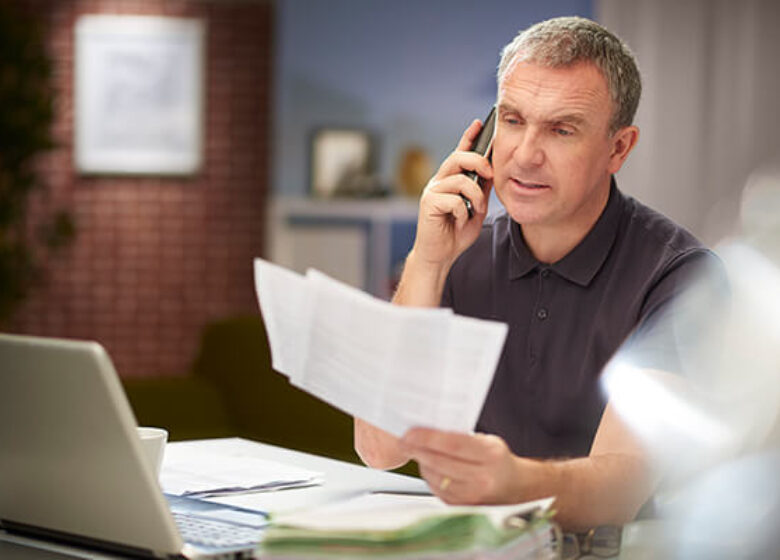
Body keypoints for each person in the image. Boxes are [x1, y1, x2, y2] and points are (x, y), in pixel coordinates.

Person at [354, 16, 721, 531]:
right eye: (512, 119)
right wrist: (429, 260)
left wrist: (511, 482)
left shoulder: (683, 279)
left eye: (561, 129)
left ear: (619, 148)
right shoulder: (460, 257)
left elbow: (619, 491)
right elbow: (379, 447)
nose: (525, 155)